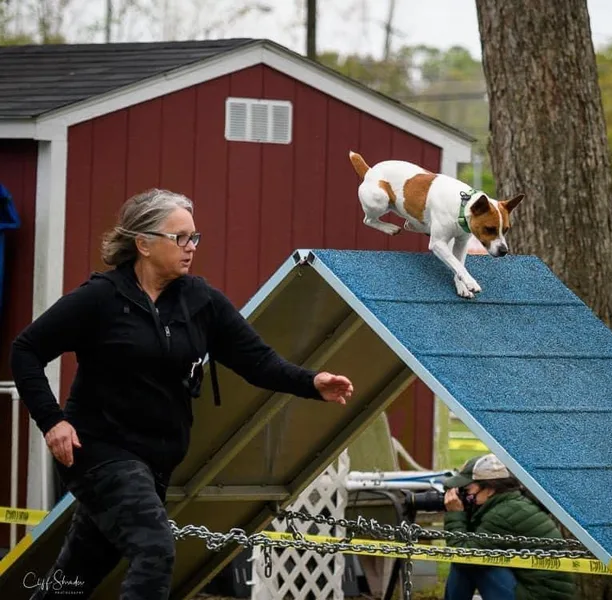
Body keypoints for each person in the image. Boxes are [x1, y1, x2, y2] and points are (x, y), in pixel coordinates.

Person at [10, 188, 354, 599]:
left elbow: (257, 362)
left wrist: (311, 382)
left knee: (78, 573)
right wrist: (53, 421)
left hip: (156, 461)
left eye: (195, 237)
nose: (191, 247)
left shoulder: (201, 300)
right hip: (98, 453)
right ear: (144, 244)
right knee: (155, 551)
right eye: (181, 238)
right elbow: (25, 350)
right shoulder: (100, 298)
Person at [442, 453, 576, 600]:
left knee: (467, 560)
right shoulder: (511, 504)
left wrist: (455, 514)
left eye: (467, 490)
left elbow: (463, 555)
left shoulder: (503, 514)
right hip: (538, 591)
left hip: (538, 596)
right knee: (470, 557)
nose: (464, 496)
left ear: (490, 489)